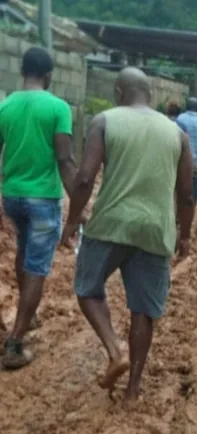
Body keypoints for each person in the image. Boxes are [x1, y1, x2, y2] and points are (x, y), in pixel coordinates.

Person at [62, 67, 195, 402]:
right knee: (143, 310)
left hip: (110, 223)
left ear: (119, 92)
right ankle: (133, 388)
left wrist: (72, 221)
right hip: (155, 229)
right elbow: (186, 193)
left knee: (88, 288)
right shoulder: (178, 134)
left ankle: (114, 349)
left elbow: (84, 179)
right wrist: (185, 235)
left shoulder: (104, 121)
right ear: (151, 94)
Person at [0, 47, 80, 369]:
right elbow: (64, 159)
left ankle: (25, 315)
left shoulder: (4, 105)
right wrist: (79, 201)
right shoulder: (58, 108)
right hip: (43, 199)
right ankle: (15, 343)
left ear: (23, 72)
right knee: (37, 265)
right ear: (48, 75)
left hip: (12, 196)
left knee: (23, 251)